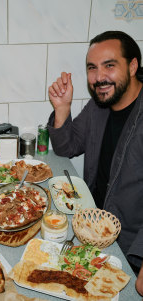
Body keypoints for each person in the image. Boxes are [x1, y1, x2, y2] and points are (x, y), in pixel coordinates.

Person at [47, 31, 143, 294]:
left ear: (133, 66)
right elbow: (68, 146)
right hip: (88, 227)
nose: (99, 77)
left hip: (128, 249)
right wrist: (62, 109)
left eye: (109, 65)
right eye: (92, 68)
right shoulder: (99, 106)